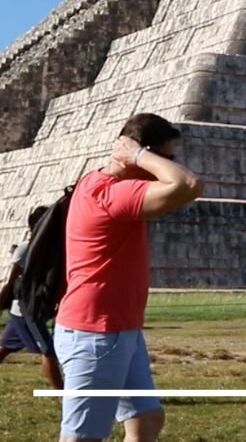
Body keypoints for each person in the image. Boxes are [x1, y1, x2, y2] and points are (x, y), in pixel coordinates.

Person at [54, 113, 203, 442]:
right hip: (97, 334)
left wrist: (141, 156)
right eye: (167, 157)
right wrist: (137, 155)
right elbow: (188, 185)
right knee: (82, 438)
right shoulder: (112, 196)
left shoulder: (100, 184)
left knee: (146, 419)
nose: (169, 164)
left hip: (119, 330)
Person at [0, 206, 63, 389]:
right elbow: (11, 281)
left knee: (6, 348)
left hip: (33, 308)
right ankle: (62, 394)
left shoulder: (52, 248)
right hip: (27, 309)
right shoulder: (26, 248)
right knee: (48, 351)